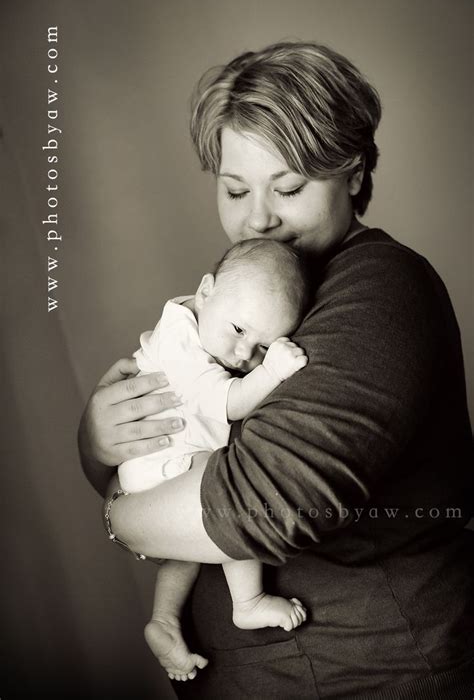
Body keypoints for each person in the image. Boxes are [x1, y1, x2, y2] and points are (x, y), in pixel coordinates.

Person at [79, 41, 474, 699]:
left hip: (368, 669)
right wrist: (98, 441)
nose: (257, 217)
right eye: (234, 189)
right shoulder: (246, 293)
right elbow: (176, 441)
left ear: (352, 173)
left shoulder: (378, 288)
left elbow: (268, 505)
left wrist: (120, 518)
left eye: (288, 186)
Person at [118, 239, 309, 681]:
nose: (244, 355)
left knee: (182, 554)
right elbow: (233, 401)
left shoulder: (188, 320)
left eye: (262, 346)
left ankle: (164, 620)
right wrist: (272, 370)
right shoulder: (188, 356)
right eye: (240, 331)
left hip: (146, 468)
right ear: (205, 291)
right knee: (229, 499)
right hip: (163, 459)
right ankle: (249, 603)